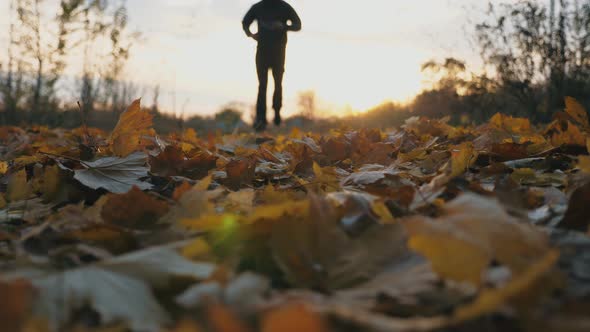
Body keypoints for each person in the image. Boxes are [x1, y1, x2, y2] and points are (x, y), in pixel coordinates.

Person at [242, 0, 302, 132]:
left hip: (279, 52)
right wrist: (251, 34)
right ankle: (261, 119)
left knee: (277, 84)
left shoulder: (284, 6)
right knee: (262, 85)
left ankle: (276, 115)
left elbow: (298, 25)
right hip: (262, 51)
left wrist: (283, 26)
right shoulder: (258, 7)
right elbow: (245, 22)